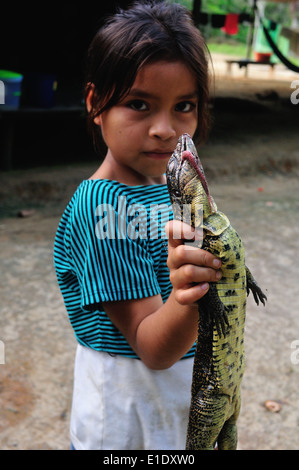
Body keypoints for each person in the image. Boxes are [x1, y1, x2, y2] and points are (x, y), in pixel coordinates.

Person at [53, 0, 222, 450]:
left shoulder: (174, 188)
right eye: (139, 104)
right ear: (95, 103)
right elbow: (152, 345)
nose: (165, 129)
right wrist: (192, 293)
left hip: (176, 401)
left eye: (184, 105)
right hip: (129, 420)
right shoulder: (105, 207)